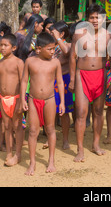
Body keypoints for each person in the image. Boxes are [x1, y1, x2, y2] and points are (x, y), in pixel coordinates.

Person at [20, 32, 65, 175]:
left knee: (50, 129)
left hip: (50, 100)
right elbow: (24, 81)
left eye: (54, 48)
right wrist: (22, 99)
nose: (53, 51)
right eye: (50, 49)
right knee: (33, 131)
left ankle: (51, 161)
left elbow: (60, 82)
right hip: (33, 100)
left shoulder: (55, 62)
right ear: (39, 48)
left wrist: (62, 102)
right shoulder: (30, 61)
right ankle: (32, 162)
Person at [69, 4, 109, 162]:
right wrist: (72, 79)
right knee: (81, 113)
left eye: (97, 17)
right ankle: (80, 150)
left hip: (100, 75)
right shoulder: (79, 34)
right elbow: (73, 57)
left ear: (103, 19)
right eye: (91, 17)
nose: (94, 20)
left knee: (99, 112)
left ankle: (96, 144)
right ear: (87, 19)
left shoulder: (108, 35)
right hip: (82, 75)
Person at [0, 34, 25, 166]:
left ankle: (18, 154)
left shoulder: (18, 62)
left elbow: (23, 82)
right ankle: (9, 153)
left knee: (17, 127)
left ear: (14, 47)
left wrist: (22, 100)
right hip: (3, 99)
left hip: (16, 98)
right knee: (7, 127)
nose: (2, 48)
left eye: (6, 45)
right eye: (1, 46)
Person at [49, 21, 73, 150]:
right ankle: (50, 138)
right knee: (50, 111)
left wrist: (58, 38)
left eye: (52, 32)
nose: (50, 34)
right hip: (50, 81)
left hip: (64, 80)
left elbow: (67, 53)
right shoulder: (50, 46)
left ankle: (65, 139)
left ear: (61, 33)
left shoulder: (67, 45)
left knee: (65, 113)